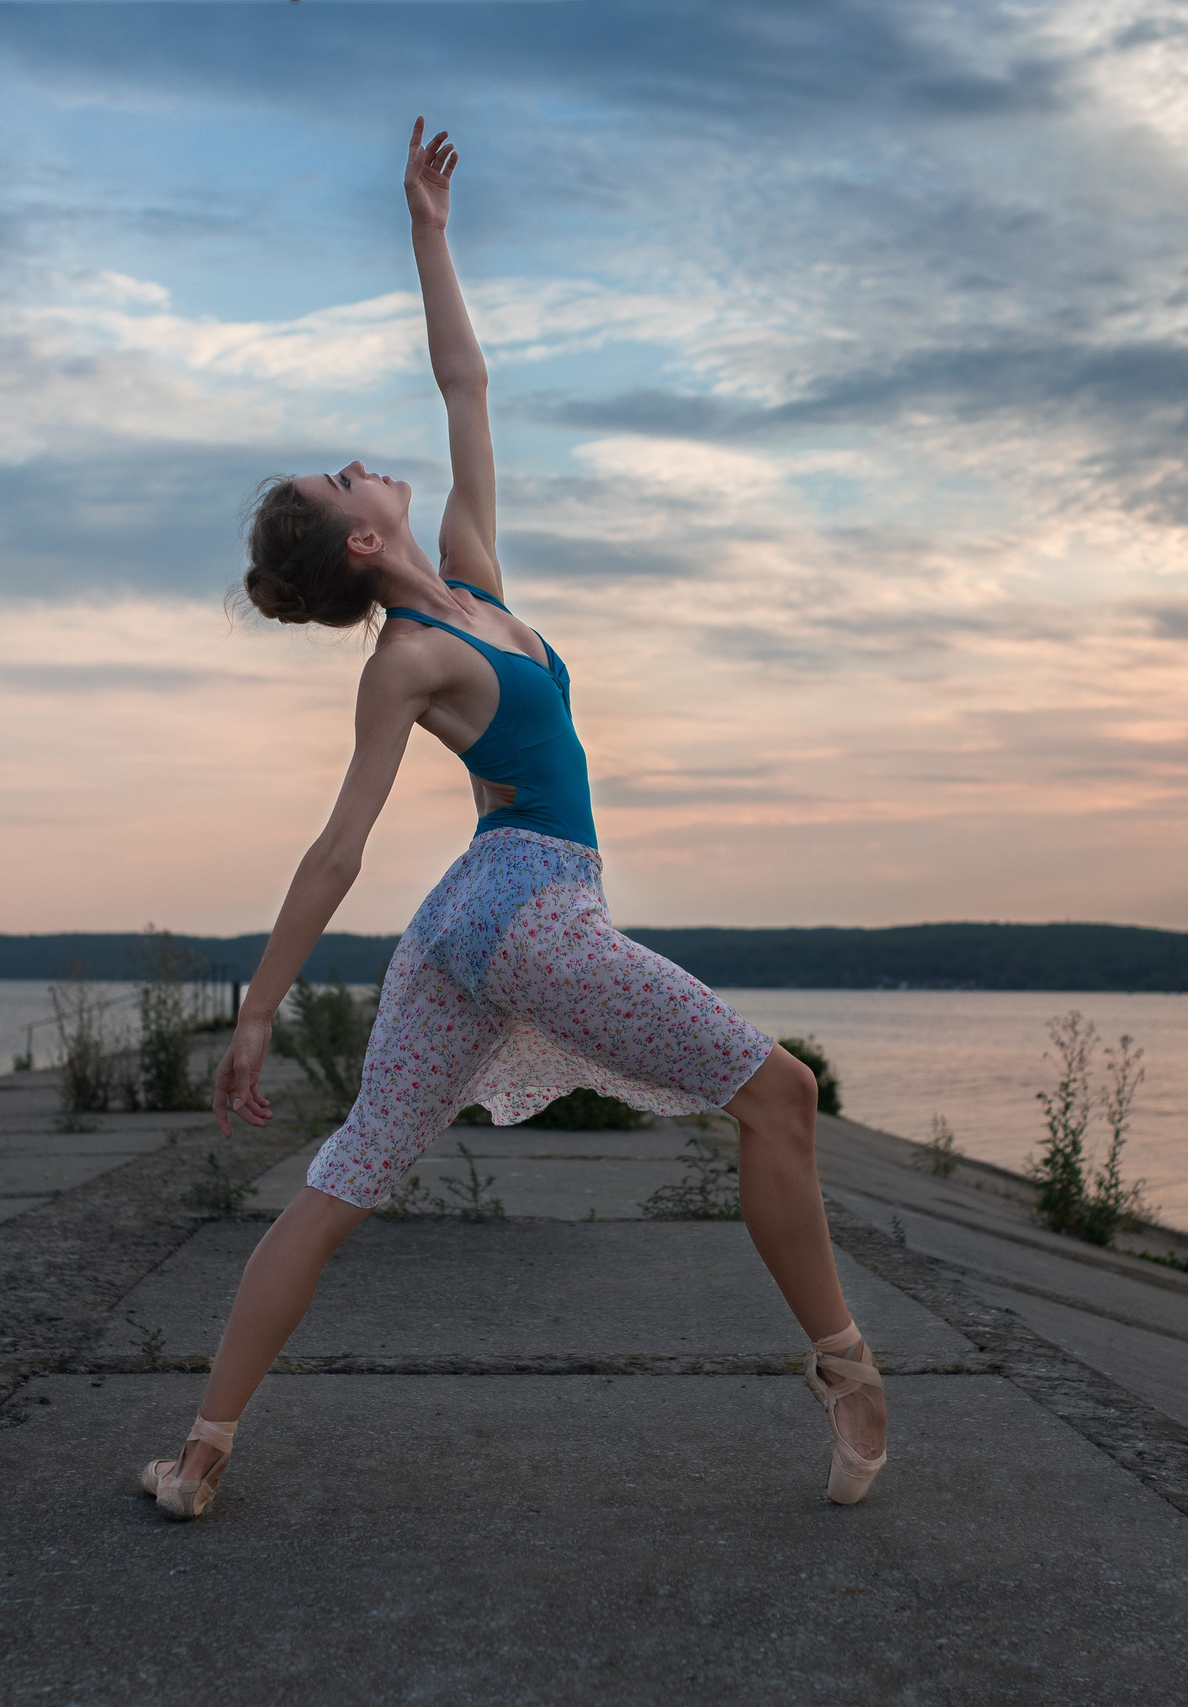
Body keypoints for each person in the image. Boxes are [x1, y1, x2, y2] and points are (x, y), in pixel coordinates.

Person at [139, 120, 887, 1520]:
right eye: (342, 479)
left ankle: (202, 1457)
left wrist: (427, 230)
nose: (364, 464)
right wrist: (257, 1011)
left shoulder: (472, 584)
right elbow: (337, 846)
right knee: (780, 1097)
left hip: (474, 919)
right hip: (523, 912)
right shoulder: (411, 659)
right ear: (363, 542)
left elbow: (466, 381)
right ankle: (847, 1368)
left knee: (344, 1175)